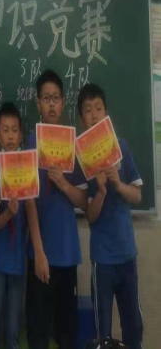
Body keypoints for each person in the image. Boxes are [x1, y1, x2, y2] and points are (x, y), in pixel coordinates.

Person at [24, 69, 88, 349]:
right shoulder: (30, 143)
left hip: (68, 254)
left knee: (67, 336)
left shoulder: (74, 145)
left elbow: (83, 201)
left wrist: (62, 183)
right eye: (46, 98)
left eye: (56, 98)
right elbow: (28, 201)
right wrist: (39, 252)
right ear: (38, 103)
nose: (51, 104)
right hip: (39, 255)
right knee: (38, 336)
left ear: (63, 103)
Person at [79, 83, 144, 348]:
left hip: (127, 254)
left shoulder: (122, 148)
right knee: (102, 334)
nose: (94, 115)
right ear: (82, 119)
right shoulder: (82, 159)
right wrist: (102, 192)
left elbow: (137, 196)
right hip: (102, 260)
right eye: (87, 110)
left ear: (106, 114)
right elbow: (90, 216)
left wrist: (118, 184)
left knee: (134, 327)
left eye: (98, 108)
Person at [0, 102, 38, 349]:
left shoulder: (28, 169)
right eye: (5, 130)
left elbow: (33, 213)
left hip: (18, 263)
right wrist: (9, 213)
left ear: (21, 134)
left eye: (14, 130)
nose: (10, 136)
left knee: (14, 332)